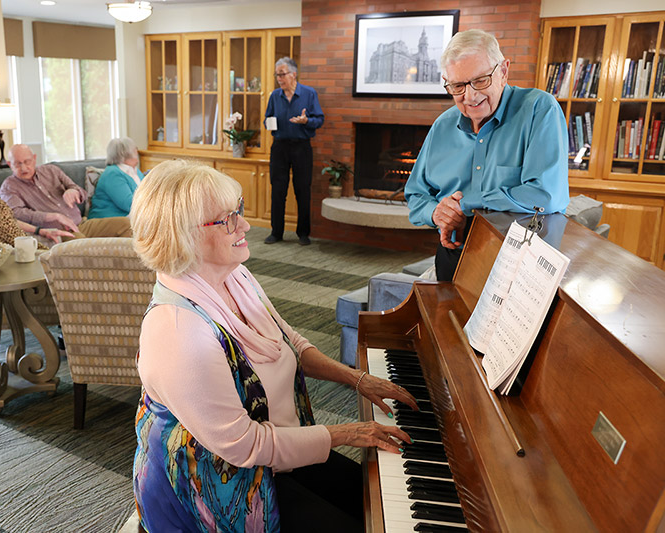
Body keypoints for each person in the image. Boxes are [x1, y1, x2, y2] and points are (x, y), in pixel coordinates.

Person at [130, 159, 418, 532]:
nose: (245, 225)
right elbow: (244, 446)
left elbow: (289, 343)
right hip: (214, 482)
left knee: (373, 501)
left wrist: (358, 379)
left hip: (274, 447)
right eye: (227, 219)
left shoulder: (235, 275)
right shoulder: (179, 331)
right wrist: (349, 433)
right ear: (182, 235)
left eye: (240, 211)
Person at [405, 29, 570, 281]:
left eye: (480, 80)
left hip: (518, 261)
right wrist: (438, 213)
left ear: (503, 71)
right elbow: (416, 195)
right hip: (454, 254)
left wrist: (465, 204)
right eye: (458, 86)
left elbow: (546, 194)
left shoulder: (539, 109)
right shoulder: (442, 125)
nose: (470, 96)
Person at [0, 144, 132, 239]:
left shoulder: (51, 170)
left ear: (34, 158)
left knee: (127, 225)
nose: (23, 168)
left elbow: (81, 192)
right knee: (85, 246)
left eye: (27, 162)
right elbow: (16, 213)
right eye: (17, 164)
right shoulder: (9, 187)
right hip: (57, 232)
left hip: (81, 224)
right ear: (10, 165)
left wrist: (73, 191)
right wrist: (53, 216)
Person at [263, 57, 324, 246]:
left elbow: (319, 119)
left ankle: (303, 233)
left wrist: (306, 121)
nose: (279, 79)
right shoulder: (275, 95)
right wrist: (269, 123)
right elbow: (267, 118)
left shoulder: (308, 94)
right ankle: (276, 232)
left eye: (282, 74)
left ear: (293, 74)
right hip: (279, 146)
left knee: (302, 189)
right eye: (277, 75)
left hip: (301, 147)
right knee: (278, 190)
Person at [87, 137, 145, 220]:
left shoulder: (135, 171)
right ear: (125, 153)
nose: (137, 151)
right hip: (108, 219)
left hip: (130, 218)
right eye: (135, 149)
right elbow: (129, 204)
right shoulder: (113, 174)